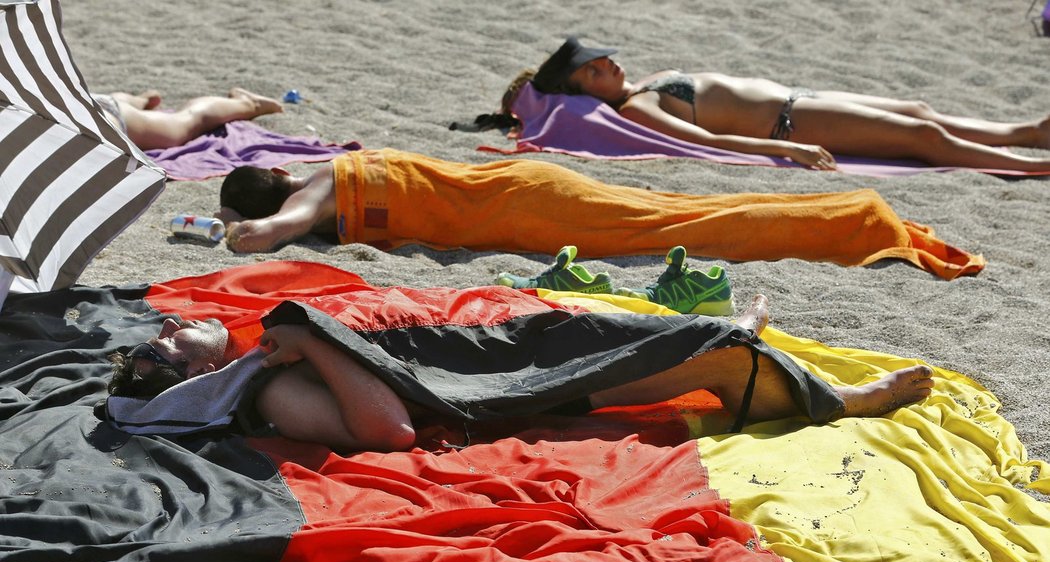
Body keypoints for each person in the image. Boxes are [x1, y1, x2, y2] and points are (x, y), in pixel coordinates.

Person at [105, 289, 935, 454]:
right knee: (717, 360)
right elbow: (388, 431)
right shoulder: (270, 386)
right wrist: (311, 341)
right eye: (163, 345)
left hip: (467, 358)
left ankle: (721, 335)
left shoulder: (261, 355)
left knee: (574, 325)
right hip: (479, 397)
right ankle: (841, 404)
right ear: (181, 380)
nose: (173, 324)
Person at [213, 148, 983, 280]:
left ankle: (861, 221)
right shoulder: (339, 178)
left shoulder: (322, 185)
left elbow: (284, 222)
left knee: (694, 227)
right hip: (529, 191)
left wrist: (251, 233)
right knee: (691, 212)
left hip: (535, 210)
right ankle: (854, 215)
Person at [501, 36, 1050, 172]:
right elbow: (710, 141)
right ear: (581, 91)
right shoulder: (638, 110)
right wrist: (790, 148)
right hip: (791, 121)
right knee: (924, 141)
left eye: (603, 58)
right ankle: (1032, 165)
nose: (608, 66)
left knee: (920, 111)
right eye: (593, 71)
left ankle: (1027, 131)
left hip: (801, 96)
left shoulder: (644, 84)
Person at [93, 87, 283, 151]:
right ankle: (138, 101)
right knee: (112, 104)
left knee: (186, 122)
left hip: (108, 119)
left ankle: (248, 103)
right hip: (93, 106)